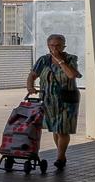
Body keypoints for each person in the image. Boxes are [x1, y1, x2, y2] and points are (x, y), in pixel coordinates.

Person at [26, 34, 81, 171]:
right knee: (55, 129)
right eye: (52, 45)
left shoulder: (70, 58)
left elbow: (71, 75)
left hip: (67, 99)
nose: (55, 48)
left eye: (58, 45)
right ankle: (61, 155)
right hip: (48, 100)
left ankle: (60, 157)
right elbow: (32, 75)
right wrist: (30, 86)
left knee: (63, 129)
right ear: (48, 46)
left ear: (64, 46)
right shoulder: (43, 60)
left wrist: (60, 61)